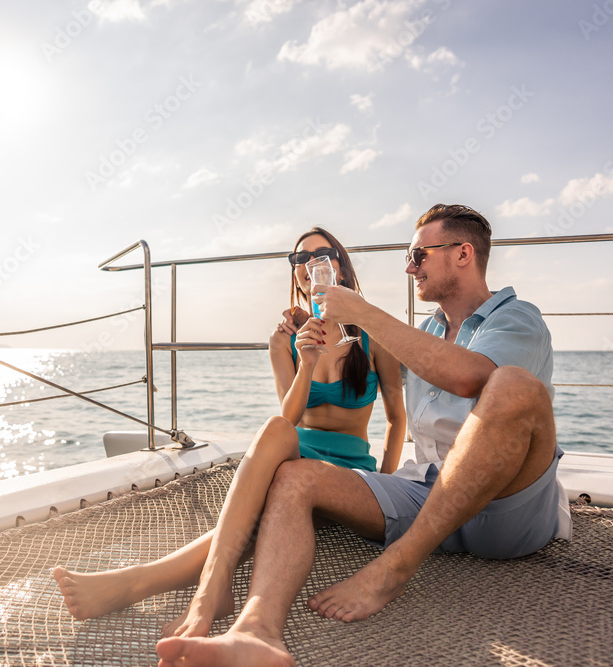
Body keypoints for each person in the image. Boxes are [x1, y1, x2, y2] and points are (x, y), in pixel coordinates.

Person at [154, 204, 572, 667]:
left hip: (507, 512)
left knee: (513, 385)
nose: (409, 266)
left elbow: (472, 378)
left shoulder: (517, 319)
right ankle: (256, 630)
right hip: (430, 491)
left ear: (462, 254)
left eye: (419, 255)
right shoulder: (428, 331)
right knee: (295, 478)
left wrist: (364, 314)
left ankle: (394, 569)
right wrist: (310, 340)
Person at [53, 227, 406, 640]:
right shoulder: (285, 341)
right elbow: (289, 419)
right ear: (296, 276)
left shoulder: (372, 334)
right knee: (274, 430)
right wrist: (307, 362)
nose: (310, 264)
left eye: (321, 254)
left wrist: (385, 483)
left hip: (347, 468)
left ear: (340, 268)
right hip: (295, 453)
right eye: (299, 260)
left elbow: (397, 419)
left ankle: (148, 582)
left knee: (253, 516)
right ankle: (202, 587)